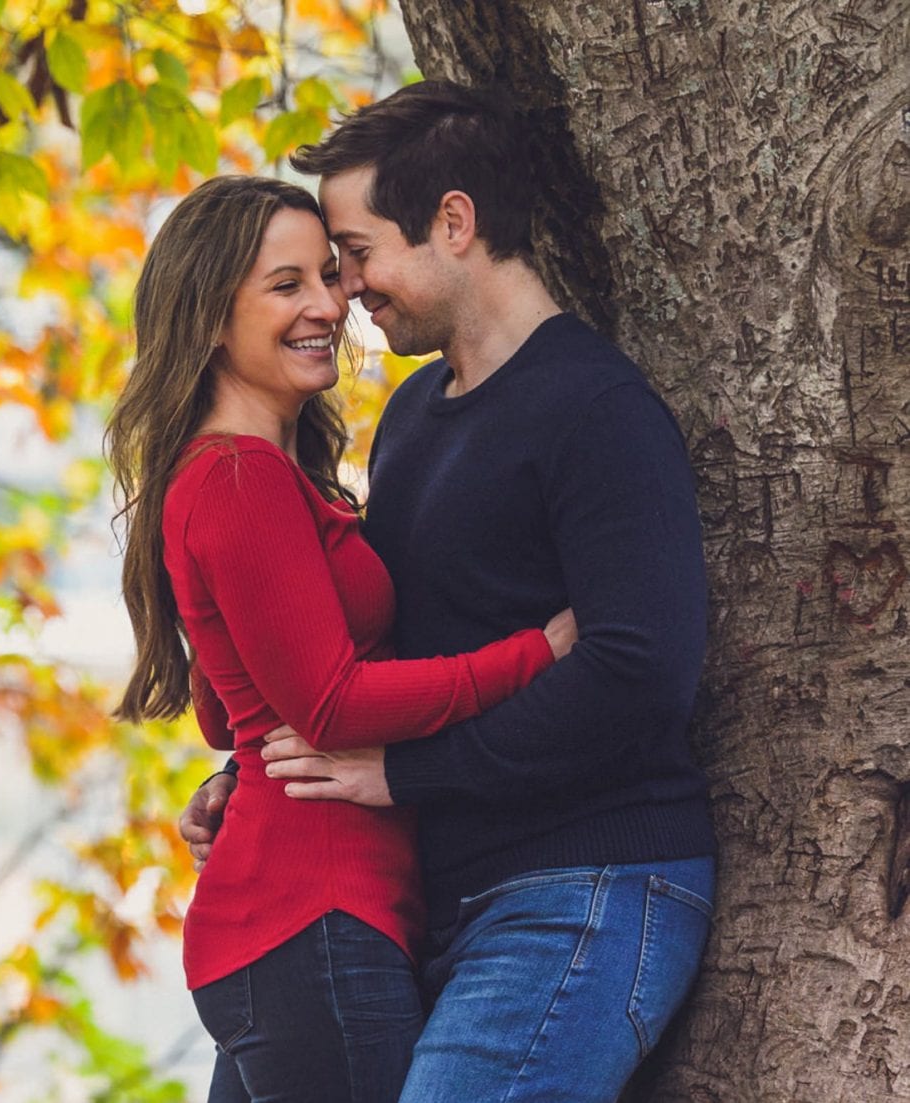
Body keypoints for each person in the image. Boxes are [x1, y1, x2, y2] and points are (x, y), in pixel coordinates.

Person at [179, 82, 717, 1103]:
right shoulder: (416, 416)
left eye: (356, 253)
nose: (345, 292)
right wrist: (257, 771)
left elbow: (637, 671)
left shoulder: (597, 408)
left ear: (454, 223)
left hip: (584, 884)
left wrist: (406, 772)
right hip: (441, 898)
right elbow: (376, 661)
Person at [108, 174, 577, 1103]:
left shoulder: (260, 476)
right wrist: (537, 652)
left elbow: (226, 705)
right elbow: (329, 705)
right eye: (286, 285)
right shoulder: (240, 478)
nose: (329, 304)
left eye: (329, 274)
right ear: (209, 318)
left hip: (284, 926)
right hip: (314, 918)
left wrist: (237, 771)